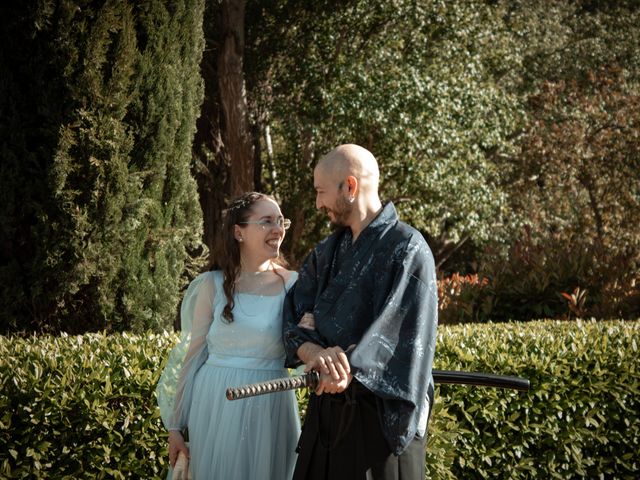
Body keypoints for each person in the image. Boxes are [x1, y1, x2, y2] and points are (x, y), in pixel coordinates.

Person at [283, 144, 438, 480]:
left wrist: (345, 366)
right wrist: (316, 352)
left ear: (350, 187)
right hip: (326, 420)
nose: (318, 204)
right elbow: (295, 315)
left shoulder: (408, 249)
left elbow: (396, 339)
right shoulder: (326, 253)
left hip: (377, 429)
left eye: (321, 192)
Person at [157, 192, 301, 479]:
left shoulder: (294, 285)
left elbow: (307, 347)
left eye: (280, 221)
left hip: (269, 404)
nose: (278, 229)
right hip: (213, 402)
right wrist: (175, 427)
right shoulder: (213, 284)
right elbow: (194, 354)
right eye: (266, 221)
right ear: (239, 232)